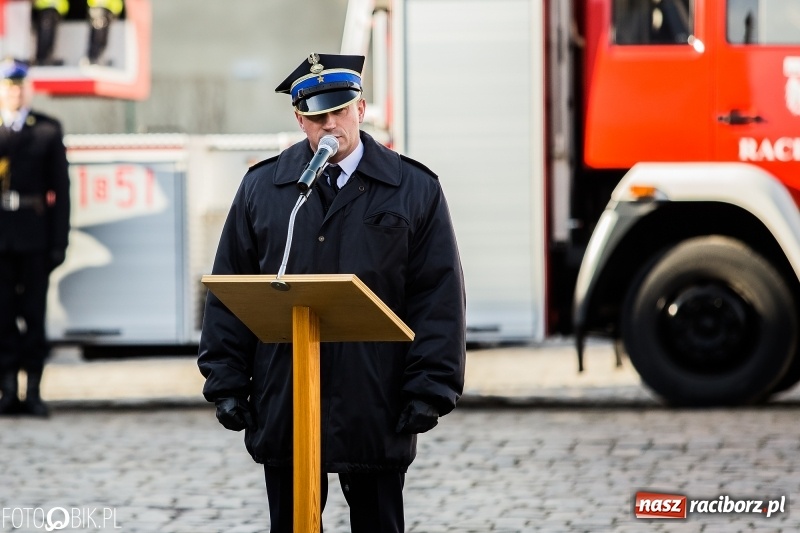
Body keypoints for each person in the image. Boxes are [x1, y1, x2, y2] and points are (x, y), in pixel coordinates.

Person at [198, 53, 466, 532]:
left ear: (360, 110)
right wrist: (227, 380)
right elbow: (232, 286)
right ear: (299, 119)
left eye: (340, 111)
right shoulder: (267, 188)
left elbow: (437, 293)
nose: (330, 125)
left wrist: (431, 384)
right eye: (317, 116)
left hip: (375, 392)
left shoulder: (412, 187)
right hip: (287, 392)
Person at [0, 59, 70, 417]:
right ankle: (7, 390)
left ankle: (34, 392)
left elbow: (61, 190)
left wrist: (59, 242)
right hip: (1, 241)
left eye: (19, 85)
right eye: (8, 85)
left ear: (29, 89)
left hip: (34, 238)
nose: (14, 91)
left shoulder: (46, 129)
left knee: (34, 315)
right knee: (2, 315)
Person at [32, 0, 69, 66]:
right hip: (46, 7)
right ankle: (42, 58)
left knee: (49, 35)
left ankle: (45, 58)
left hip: (55, 8)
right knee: (45, 34)